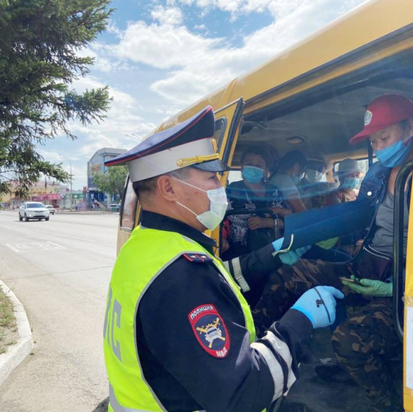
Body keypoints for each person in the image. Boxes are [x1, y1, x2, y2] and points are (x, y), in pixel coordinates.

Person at [102, 106, 343, 412]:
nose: (221, 188)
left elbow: (218, 280)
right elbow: (243, 393)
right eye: (212, 178)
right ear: (168, 187)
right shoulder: (180, 274)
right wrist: (300, 320)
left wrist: (272, 254)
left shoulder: (144, 246)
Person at [253, 94, 413, 412]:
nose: (379, 147)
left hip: (407, 282)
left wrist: (397, 286)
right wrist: (301, 235)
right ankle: (254, 363)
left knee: (348, 339)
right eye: (373, 141)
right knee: (290, 273)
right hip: (365, 266)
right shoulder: (377, 175)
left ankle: (393, 405)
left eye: (384, 137)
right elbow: (356, 216)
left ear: (410, 127)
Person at [222, 146, 290, 259]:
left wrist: (267, 222)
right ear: (242, 166)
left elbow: (288, 222)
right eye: (249, 163)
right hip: (239, 255)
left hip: (273, 253)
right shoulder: (230, 191)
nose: (253, 167)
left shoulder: (275, 192)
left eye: (259, 165)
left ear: (265, 170)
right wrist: (222, 239)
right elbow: (218, 221)